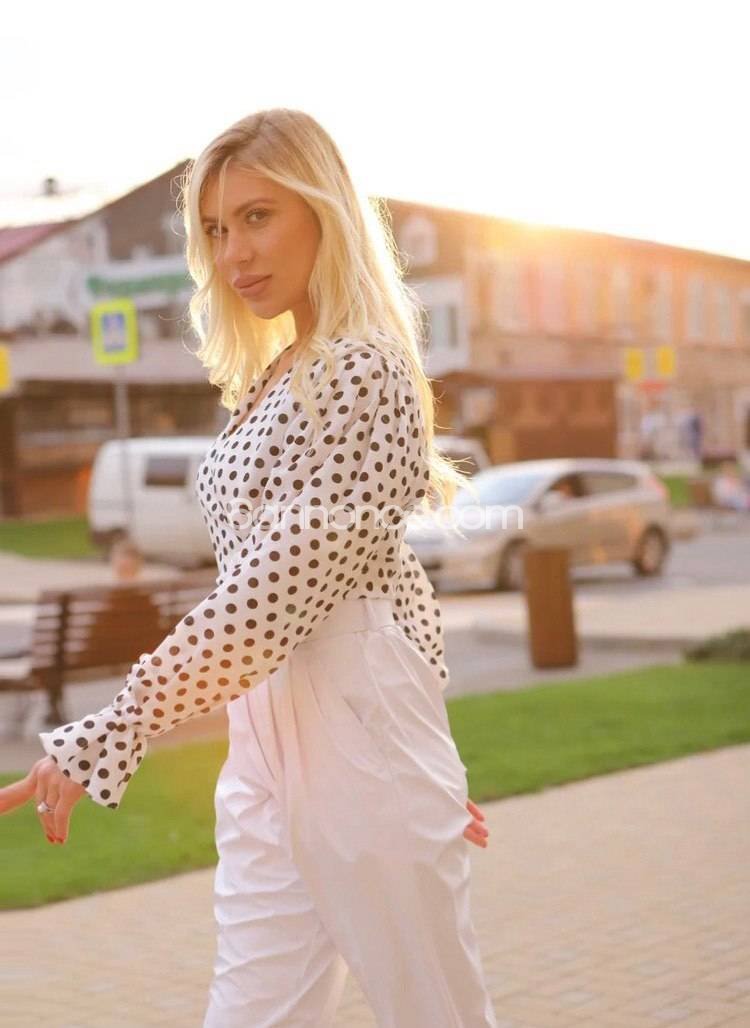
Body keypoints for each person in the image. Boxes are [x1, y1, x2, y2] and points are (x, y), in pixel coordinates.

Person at [0, 109, 498, 1026]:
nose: (233, 254)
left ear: (324, 212)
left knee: (435, 1013)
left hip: (355, 726)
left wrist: (115, 727)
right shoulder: (277, 375)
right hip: (268, 735)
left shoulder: (364, 370)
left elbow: (275, 595)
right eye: (217, 229)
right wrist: (425, 744)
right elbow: (384, 576)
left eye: (258, 217)